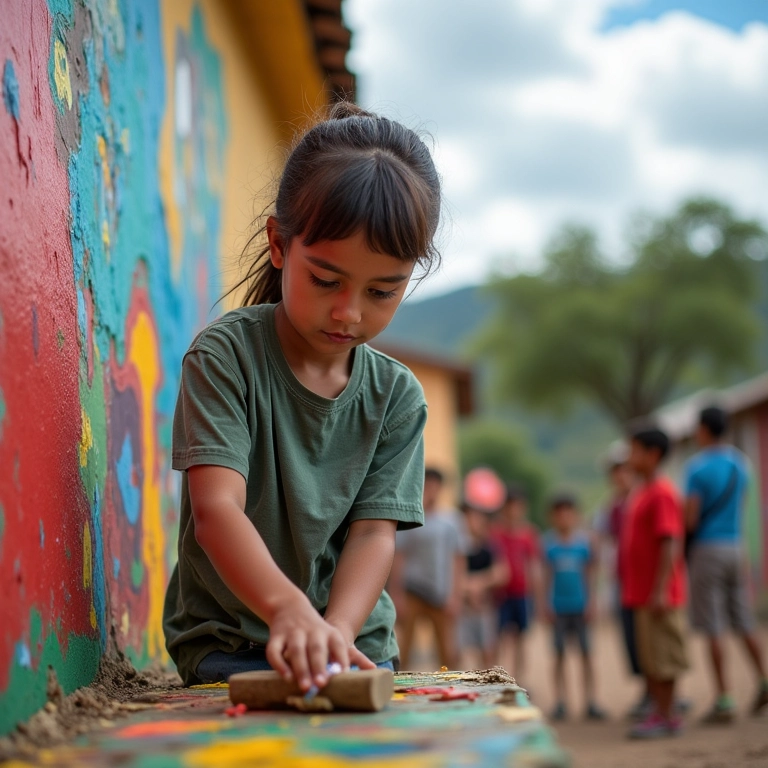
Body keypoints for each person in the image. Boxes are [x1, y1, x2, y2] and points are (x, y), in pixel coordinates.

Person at [162, 102, 442, 691]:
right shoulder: (226, 358)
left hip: (355, 648)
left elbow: (372, 534)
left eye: (382, 291)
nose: (349, 311)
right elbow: (217, 512)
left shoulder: (397, 397)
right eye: (325, 280)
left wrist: (336, 630)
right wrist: (288, 614)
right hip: (234, 644)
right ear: (279, 244)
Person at [684, 405, 768, 723]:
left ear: (704, 429)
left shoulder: (697, 467)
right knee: (744, 620)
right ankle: (763, 681)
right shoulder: (741, 464)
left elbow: (691, 516)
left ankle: (724, 698)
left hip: (708, 550)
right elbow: (742, 509)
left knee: (713, 626)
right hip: (735, 547)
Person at [623, 428, 688, 739]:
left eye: (634, 450)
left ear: (653, 455)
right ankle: (660, 712)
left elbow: (669, 541)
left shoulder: (662, 492)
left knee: (664, 657)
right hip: (641, 592)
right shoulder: (642, 491)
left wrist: (661, 588)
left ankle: (667, 715)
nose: (629, 457)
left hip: (657, 593)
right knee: (651, 656)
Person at [391, 468, 465, 670]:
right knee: (404, 647)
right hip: (412, 589)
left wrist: (456, 595)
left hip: (440, 592)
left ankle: (449, 691)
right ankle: (401, 690)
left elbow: (458, 560)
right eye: (427, 485)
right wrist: (396, 594)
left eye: (435, 485)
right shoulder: (410, 517)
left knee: (447, 652)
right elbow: (399, 557)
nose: (431, 490)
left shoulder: (452, 521)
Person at [542, 494, 605, 721]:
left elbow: (591, 575)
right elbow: (545, 577)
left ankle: (591, 701)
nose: (564, 517)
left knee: (586, 655)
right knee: (558, 656)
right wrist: (544, 604)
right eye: (559, 513)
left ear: (576, 516)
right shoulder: (549, 544)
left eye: (569, 512)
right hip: (558, 608)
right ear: (553, 517)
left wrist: (592, 601)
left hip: (580, 607)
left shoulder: (583, 544)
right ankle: (561, 702)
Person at [492, 485, 540, 680]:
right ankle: (499, 678)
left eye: (518, 506)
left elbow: (534, 566)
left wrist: (537, 596)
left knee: (521, 639)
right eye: (510, 506)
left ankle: (519, 678)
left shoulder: (529, 534)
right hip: (501, 595)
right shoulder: (495, 534)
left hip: (522, 594)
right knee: (499, 639)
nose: (514, 511)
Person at [459, 499, 508, 670]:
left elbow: (502, 573)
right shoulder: (457, 548)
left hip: (485, 608)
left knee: (488, 652)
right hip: (461, 609)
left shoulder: (489, 547)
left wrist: (477, 583)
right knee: (458, 654)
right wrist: (469, 586)